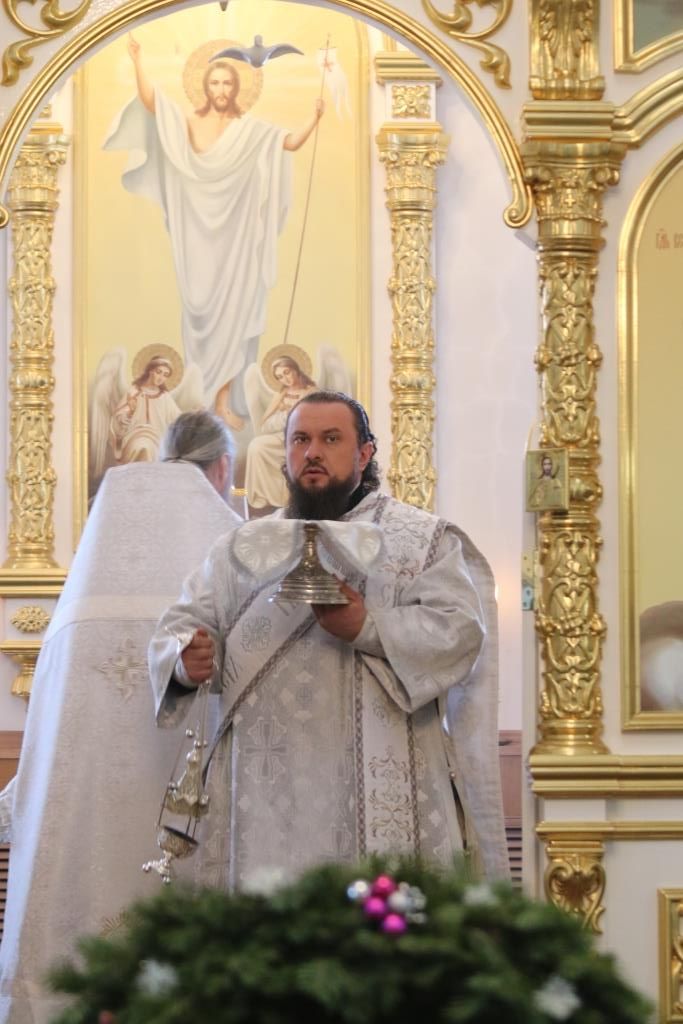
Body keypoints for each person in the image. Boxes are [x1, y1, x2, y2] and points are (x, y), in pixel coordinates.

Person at [149, 392, 509, 890]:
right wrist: (184, 662)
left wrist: (367, 627)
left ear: (364, 453)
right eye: (300, 440)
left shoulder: (421, 540)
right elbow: (182, 623)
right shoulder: (242, 546)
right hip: (264, 798)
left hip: (382, 786)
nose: (312, 452)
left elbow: (461, 631)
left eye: (331, 439)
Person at [0, 412, 241, 1024]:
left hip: (87, 821)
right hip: (191, 814)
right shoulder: (227, 558)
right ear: (221, 468)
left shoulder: (83, 596)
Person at [103, 37, 324, 430]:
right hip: (196, 235)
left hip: (238, 239)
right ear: (204, 87)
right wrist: (138, 60)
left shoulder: (250, 130)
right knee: (200, 310)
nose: (221, 89)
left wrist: (315, 116)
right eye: (215, 83)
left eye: (227, 83)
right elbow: (154, 104)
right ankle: (202, 400)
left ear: (237, 88)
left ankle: (222, 401)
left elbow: (289, 143)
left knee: (236, 314)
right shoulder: (188, 123)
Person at [244, 354, 317, 510]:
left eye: (286, 372)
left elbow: (315, 422)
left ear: (295, 369)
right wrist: (284, 415)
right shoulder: (281, 394)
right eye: (280, 377)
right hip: (283, 437)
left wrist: (292, 415)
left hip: (304, 440)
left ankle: (290, 500)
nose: (285, 379)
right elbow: (264, 425)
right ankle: (263, 497)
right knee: (256, 446)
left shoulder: (311, 393)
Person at [110, 354, 181, 464]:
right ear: (150, 371)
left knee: (152, 449)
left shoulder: (165, 397)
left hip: (158, 438)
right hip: (135, 436)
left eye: (165, 375)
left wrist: (194, 416)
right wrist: (130, 411)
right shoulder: (134, 392)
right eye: (158, 372)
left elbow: (178, 419)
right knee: (144, 447)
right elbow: (118, 420)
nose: (161, 377)